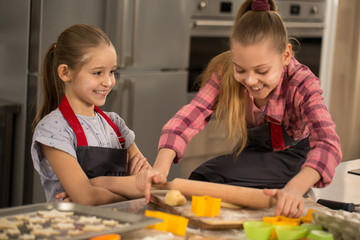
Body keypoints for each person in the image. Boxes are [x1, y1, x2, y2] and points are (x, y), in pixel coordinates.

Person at [136, 0, 342, 217]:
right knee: (203, 179)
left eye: (261, 71)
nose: (251, 80)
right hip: (255, 155)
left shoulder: (302, 83)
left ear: (286, 55)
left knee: (207, 177)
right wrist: (160, 167)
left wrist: (295, 188)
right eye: (240, 69)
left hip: (296, 160)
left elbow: (329, 142)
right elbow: (191, 115)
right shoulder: (224, 71)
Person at [31, 24, 149, 205]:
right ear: (65, 72)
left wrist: (98, 186)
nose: (108, 81)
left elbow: (151, 187)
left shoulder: (116, 124)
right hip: (73, 231)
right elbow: (87, 198)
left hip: (118, 228)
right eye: (97, 73)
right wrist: (132, 190)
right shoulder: (53, 129)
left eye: (112, 72)